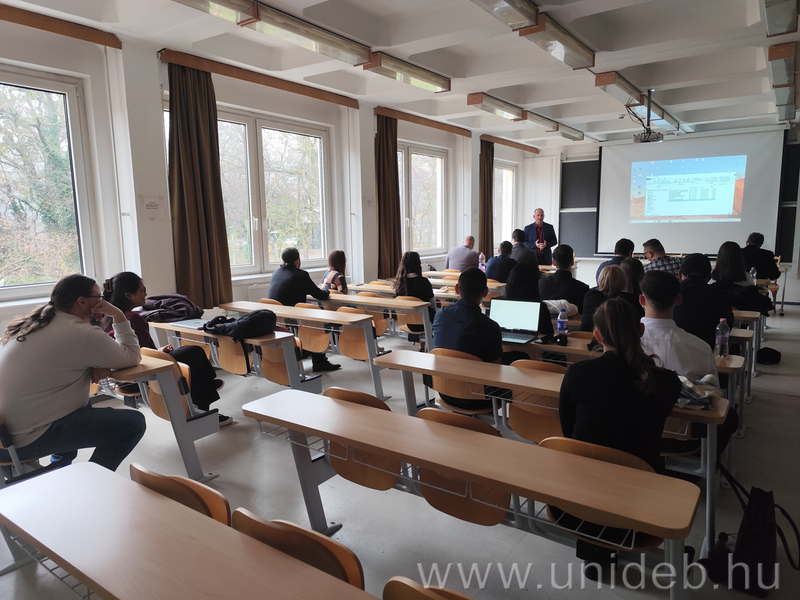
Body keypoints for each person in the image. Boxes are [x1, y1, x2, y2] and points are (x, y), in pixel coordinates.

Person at [0, 274, 146, 471]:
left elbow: (69, 356)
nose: (102, 302)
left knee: (80, 404)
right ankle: (91, 478)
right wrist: (118, 315)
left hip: (5, 435)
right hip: (22, 442)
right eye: (99, 297)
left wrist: (93, 362)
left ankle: (60, 465)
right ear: (82, 301)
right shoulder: (80, 333)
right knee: (134, 424)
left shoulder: (32, 323)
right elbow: (132, 356)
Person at [559, 298, 681, 473]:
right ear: (641, 330)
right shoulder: (668, 381)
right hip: (641, 478)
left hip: (582, 474)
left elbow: (568, 432)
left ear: (597, 336)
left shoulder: (577, 373)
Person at [102, 272, 231, 426]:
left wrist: (158, 352)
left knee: (188, 355)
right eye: (142, 290)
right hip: (141, 376)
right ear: (129, 295)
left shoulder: (107, 318)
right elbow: (140, 355)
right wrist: (158, 354)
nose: (146, 294)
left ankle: (207, 388)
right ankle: (204, 406)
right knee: (193, 352)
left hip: (123, 378)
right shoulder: (132, 318)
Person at [638, 269, 738, 461]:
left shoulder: (626, 342)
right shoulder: (700, 347)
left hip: (634, 431)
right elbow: (712, 397)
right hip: (684, 437)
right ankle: (705, 465)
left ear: (642, 300)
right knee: (729, 415)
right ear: (678, 300)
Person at [432, 268, 526, 409]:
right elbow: (495, 371)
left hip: (445, 391)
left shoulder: (440, 315)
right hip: (478, 398)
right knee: (520, 358)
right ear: (485, 292)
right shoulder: (490, 326)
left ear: (457, 289)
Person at [269, 247, 340, 372]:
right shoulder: (301, 275)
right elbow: (321, 295)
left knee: (308, 315)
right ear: (297, 260)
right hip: (292, 315)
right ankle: (319, 361)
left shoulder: (276, 273)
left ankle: (306, 350)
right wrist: (325, 288)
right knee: (314, 321)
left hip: (276, 316)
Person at [673, 254, 734, 350]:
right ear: (709, 277)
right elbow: (727, 326)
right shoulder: (720, 296)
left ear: (679, 275)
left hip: (673, 350)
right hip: (709, 351)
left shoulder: (669, 295)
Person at [710, 241, 772, 315]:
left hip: (718, 316)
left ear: (719, 257)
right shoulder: (746, 277)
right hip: (743, 317)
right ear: (740, 258)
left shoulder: (712, 278)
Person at [393, 251, 436, 352]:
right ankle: (424, 345)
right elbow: (432, 303)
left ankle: (421, 345)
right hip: (424, 322)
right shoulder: (424, 282)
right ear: (418, 264)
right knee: (431, 311)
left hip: (407, 321)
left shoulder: (399, 283)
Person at [579, 265, 643, 331]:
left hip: (587, 334)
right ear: (623, 281)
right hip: (621, 336)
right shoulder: (631, 299)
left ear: (601, 279)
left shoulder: (591, 296)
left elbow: (586, 321)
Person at [503, 262, 554, 338]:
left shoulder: (501, 303)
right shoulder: (540, 308)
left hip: (502, 344)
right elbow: (549, 335)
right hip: (530, 345)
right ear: (534, 283)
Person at [538, 244, 589, 314]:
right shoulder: (583, 289)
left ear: (553, 263)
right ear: (572, 262)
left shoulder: (540, 285)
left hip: (546, 321)